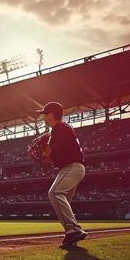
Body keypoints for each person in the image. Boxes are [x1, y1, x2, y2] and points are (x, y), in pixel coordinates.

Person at [37, 101, 87, 248]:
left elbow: (48, 152)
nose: (44, 118)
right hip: (71, 168)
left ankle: (74, 230)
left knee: (54, 193)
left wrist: (42, 150)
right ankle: (71, 237)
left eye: (45, 115)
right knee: (63, 201)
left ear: (51, 115)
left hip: (72, 168)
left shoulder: (59, 127)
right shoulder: (60, 129)